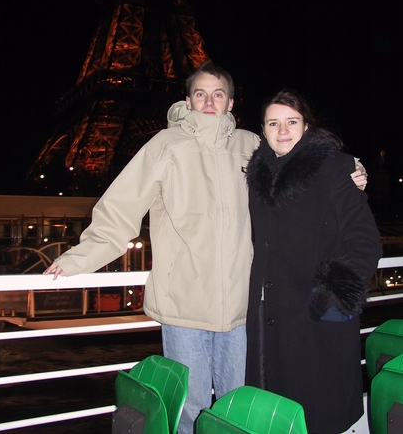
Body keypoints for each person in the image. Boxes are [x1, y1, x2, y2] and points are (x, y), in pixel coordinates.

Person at [44, 66, 367, 434]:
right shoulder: (165, 146)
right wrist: (78, 259)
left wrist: (351, 169)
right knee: (189, 409)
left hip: (240, 306)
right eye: (200, 93)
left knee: (238, 406)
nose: (209, 101)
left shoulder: (251, 144)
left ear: (230, 102)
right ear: (188, 101)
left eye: (218, 94)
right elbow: (122, 207)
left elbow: (300, 158)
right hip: (185, 305)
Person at [245, 89, 382, 434]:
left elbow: (365, 242)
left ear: (306, 126)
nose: (283, 130)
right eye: (273, 123)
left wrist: (329, 301)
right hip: (270, 319)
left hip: (315, 320)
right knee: (277, 416)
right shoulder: (258, 176)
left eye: (291, 121)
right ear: (262, 130)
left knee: (319, 416)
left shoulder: (334, 168)